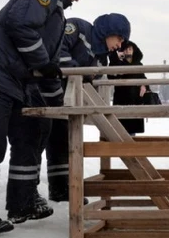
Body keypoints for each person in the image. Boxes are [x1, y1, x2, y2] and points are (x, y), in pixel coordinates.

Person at [0, 0, 88, 235]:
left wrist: (59, 107)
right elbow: (19, 24)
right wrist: (43, 63)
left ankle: (22, 202)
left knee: (33, 131)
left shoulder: (57, 16)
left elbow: (48, 68)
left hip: (16, 79)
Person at [45, 14, 130, 201]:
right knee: (36, 140)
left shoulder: (101, 60)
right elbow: (58, 49)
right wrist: (79, 72)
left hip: (69, 102)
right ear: (110, 31)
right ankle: (25, 195)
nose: (120, 44)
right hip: (46, 92)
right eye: (120, 38)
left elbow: (95, 81)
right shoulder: (78, 28)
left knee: (63, 141)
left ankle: (61, 189)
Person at [107, 40, 152, 136]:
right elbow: (110, 76)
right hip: (122, 98)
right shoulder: (118, 62)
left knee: (132, 130)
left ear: (133, 50)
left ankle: (131, 146)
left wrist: (144, 85)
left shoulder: (138, 65)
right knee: (120, 128)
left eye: (130, 49)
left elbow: (143, 78)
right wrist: (116, 59)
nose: (128, 51)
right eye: (126, 49)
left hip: (135, 99)